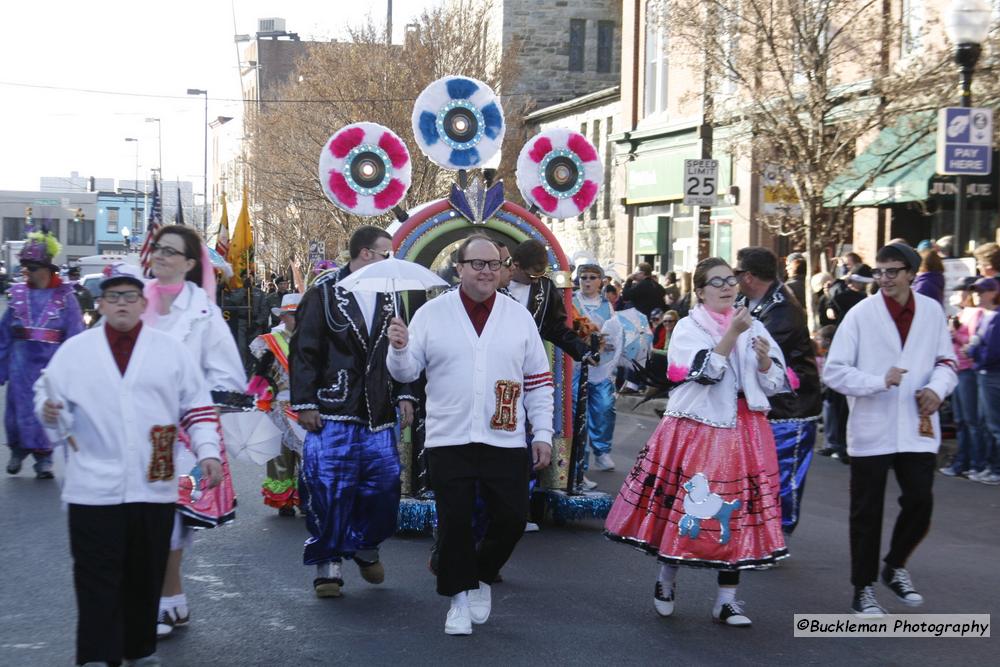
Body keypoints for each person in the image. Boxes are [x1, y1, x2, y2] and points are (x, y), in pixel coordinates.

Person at [35, 263, 223, 667]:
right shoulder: (76, 351)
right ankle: (98, 655)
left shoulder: (169, 350)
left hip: (152, 485)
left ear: (143, 303)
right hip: (92, 486)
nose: (121, 304)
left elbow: (197, 404)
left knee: (144, 573)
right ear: (100, 304)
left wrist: (207, 451)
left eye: (130, 297)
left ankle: (139, 649)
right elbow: (46, 393)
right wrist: (50, 411)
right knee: (95, 574)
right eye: (113, 297)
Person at [604, 257, 790, 627]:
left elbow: (777, 384)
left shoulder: (755, 326)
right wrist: (732, 335)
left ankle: (727, 599)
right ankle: (666, 580)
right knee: (688, 507)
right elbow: (704, 372)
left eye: (730, 280)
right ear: (701, 291)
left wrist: (767, 362)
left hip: (747, 430)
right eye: (716, 282)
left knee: (738, 512)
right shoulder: (689, 328)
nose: (726, 287)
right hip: (698, 429)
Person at [386, 234, 554, 636]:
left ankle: (480, 573)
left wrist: (543, 432)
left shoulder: (518, 317)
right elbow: (406, 373)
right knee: (456, 522)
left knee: (512, 519)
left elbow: (538, 380)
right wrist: (398, 349)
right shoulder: (432, 313)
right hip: (449, 437)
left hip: (506, 437)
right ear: (458, 268)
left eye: (494, 264)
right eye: (477, 264)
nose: (486, 271)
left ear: (503, 268)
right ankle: (458, 600)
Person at [823, 242, 957, 617]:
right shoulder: (862, 314)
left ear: (911, 273)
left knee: (920, 501)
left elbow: (947, 360)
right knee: (866, 511)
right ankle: (862, 588)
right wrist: (877, 381)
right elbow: (834, 371)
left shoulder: (931, 311)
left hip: (917, 424)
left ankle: (895, 565)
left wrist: (938, 387)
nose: (884, 279)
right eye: (879, 272)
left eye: (892, 271)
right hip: (872, 425)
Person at [290, 225, 415, 599]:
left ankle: (365, 544)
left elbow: (404, 350)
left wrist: (406, 392)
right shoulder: (323, 295)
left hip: (378, 412)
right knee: (329, 488)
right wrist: (307, 403)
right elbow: (304, 351)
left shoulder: (393, 300)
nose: (389, 261)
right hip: (332, 411)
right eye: (384, 254)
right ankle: (328, 564)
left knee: (385, 487)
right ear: (364, 254)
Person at [143, 224, 245, 639]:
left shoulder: (202, 312)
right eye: (157, 249)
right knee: (142, 515)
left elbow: (225, 374)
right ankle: (172, 600)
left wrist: (195, 411)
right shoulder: (133, 297)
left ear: (189, 264)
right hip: (133, 429)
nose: (161, 256)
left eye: (172, 252)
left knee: (168, 517)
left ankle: (163, 602)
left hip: (180, 432)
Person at [735, 247, 823, 533]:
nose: (733, 281)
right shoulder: (746, 300)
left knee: (784, 474)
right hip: (765, 405)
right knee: (757, 471)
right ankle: (760, 530)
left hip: (791, 409)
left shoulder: (783, 308)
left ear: (749, 276)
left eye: (737, 274)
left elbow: (760, 355)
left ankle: (778, 534)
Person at [1, 231, 84, 478]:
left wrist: (76, 370)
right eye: (26, 266)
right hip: (20, 364)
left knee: (47, 409)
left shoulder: (66, 298)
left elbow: (76, 334)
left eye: (34, 267)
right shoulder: (16, 295)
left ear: (48, 269)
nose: (29, 272)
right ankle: (18, 450)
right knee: (16, 411)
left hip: (51, 363)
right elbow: (4, 334)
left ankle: (44, 459)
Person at [249, 292, 305, 515]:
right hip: (279, 406)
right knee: (280, 455)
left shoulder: (315, 340)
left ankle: (306, 498)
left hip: (306, 406)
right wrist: (265, 391)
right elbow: (259, 378)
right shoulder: (269, 343)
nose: (297, 319)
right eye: (292, 315)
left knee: (307, 455)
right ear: (283, 316)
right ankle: (284, 501)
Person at [571, 261, 623, 477]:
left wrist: (609, 340)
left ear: (601, 281)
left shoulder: (607, 306)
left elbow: (616, 333)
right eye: (584, 278)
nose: (588, 282)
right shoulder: (572, 302)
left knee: (604, 407)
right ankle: (578, 465)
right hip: (576, 366)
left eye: (592, 278)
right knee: (576, 413)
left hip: (600, 367)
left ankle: (601, 451)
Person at [506, 239, 591, 362]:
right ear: (516, 265)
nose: (536, 281)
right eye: (531, 276)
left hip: (529, 361)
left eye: (540, 276)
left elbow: (556, 327)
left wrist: (583, 350)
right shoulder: (496, 285)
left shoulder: (545, 286)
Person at [940, 277, 987, 478]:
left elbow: (973, 341)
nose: (956, 295)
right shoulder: (960, 313)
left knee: (970, 419)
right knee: (960, 419)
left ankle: (976, 463)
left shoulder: (977, 313)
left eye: (960, 292)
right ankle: (962, 461)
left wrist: (954, 334)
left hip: (968, 370)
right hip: (956, 369)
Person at [966, 277, 1000, 485]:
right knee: (986, 424)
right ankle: (989, 466)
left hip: (991, 375)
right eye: (976, 291)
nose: (977, 295)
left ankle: (995, 469)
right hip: (984, 374)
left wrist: (973, 353)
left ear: (993, 293)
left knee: (994, 426)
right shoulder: (986, 316)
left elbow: (992, 352)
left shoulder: (996, 317)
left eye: (982, 291)